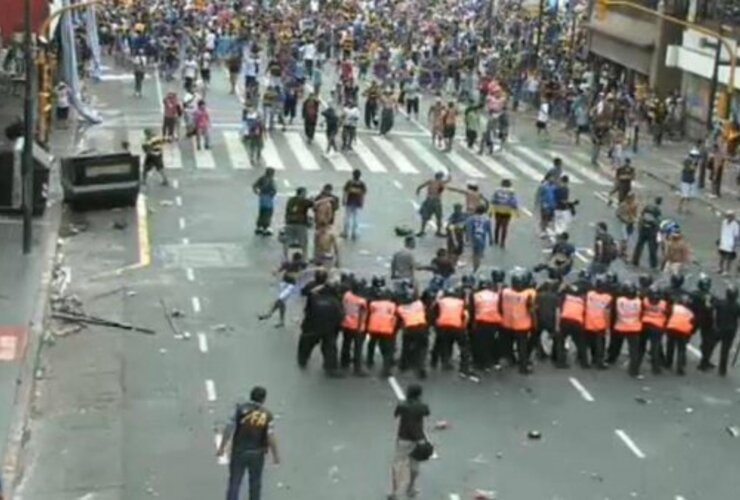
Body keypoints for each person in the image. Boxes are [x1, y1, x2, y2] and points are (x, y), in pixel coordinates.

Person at [217, 386, 280, 500]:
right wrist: (275, 456)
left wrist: (222, 447)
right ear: (263, 399)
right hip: (257, 453)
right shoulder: (267, 415)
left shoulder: (240, 410)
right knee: (255, 483)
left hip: (239, 451)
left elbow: (229, 428)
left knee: (235, 482)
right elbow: (270, 436)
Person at [389, 384, 429, 500]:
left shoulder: (402, 406)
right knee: (414, 466)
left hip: (403, 439)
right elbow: (427, 413)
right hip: (417, 440)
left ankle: (394, 491)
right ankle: (411, 487)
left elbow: (396, 414)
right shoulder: (422, 406)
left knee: (398, 465)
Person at [298, 275, 344, 376]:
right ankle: (330, 368)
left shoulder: (314, 298)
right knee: (330, 348)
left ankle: (302, 361)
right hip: (328, 329)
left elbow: (307, 310)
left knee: (306, 344)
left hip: (312, 327)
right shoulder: (335, 301)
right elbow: (340, 317)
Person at [258, 251, 308, 328]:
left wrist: (276, 272)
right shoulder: (294, 264)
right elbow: (279, 269)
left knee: (280, 299)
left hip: (289, 286)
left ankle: (269, 314)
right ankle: (280, 320)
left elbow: (279, 269)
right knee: (282, 302)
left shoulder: (296, 264)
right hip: (286, 284)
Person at [500, 270, 536, 374]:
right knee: (522, 347)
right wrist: (534, 323)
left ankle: (511, 360)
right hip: (522, 325)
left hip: (507, 323)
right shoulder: (528, 294)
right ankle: (523, 367)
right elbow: (531, 310)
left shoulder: (505, 292)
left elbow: (500, 306)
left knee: (508, 344)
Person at [608, 282, 643, 377]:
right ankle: (634, 371)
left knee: (616, 344)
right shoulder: (638, 301)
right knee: (634, 351)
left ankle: (611, 359)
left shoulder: (619, 300)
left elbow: (614, 312)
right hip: (634, 327)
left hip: (621, 325)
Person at [396, 282, 430, 379]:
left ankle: (403, 365)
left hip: (409, 329)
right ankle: (421, 367)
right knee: (422, 348)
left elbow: (399, 321)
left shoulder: (400, 308)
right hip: (421, 328)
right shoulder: (419, 304)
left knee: (406, 346)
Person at [340, 277, 369, 376]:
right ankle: (357, 369)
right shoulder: (361, 301)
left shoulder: (347, 295)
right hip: (357, 326)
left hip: (346, 323)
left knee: (346, 344)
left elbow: (343, 308)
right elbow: (361, 314)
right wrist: (360, 327)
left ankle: (344, 363)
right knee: (358, 348)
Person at [640, 286, 668, 375]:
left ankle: (635, 366)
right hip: (657, 327)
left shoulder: (645, 301)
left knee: (640, 347)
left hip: (645, 325)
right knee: (655, 348)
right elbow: (667, 314)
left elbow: (641, 311)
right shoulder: (663, 303)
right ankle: (656, 368)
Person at [664, 296, 696, 376]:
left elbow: (667, 314)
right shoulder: (690, 313)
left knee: (670, 346)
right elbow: (693, 323)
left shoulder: (674, 307)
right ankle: (680, 368)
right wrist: (690, 332)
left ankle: (668, 363)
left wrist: (666, 325)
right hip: (683, 331)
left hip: (672, 328)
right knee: (681, 349)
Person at [714, 284, 740, 376]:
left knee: (710, 343)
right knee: (725, 350)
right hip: (730, 331)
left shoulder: (721, 303)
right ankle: (722, 370)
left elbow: (713, 305)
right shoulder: (737, 306)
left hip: (719, 328)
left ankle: (704, 361)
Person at [558, 283, 586, 369]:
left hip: (565, 320)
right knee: (580, 343)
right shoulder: (582, 301)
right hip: (577, 322)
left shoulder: (565, 297)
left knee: (560, 342)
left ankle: (561, 362)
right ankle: (584, 362)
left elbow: (559, 295)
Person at [631, 197, 662, 270]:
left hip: (643, 229)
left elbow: (641, 217)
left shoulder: (647, 207)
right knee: (652, 248)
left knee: (639, 246)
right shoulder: (657, 210)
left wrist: (640, 227)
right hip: (651, 231)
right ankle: (653, 264)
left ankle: (635, 260)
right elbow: (657, 223)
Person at [416, 172, 450, 237]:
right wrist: (449, 174)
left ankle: (422, 230)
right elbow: (448, 181)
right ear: (440, 177)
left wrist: (418, 191)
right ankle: (438, 231)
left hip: (428, 200)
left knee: (425, 217)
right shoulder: (441, 183)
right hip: (436, 201)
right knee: (438, 217)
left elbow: (420, 186)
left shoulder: (431, 181)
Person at [283, 187, 313, 259]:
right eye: (305, 193)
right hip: (300, 224)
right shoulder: (304, 201)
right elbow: (313, 204)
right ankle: (304, 258)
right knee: (303, 242)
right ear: (302, 193)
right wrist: (311, 199)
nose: (305, 194)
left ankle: (285, 257)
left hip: (289, 223)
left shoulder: (290, 200)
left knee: (287, 241)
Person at [490, 179, 519, 248]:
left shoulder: (497, 190)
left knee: (497, 225)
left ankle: (496, 239)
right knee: (505, 227)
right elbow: (513, 201)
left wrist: (491, 210)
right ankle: (502, 242)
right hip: (507, 211)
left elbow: (493, 200)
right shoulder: (512, 191)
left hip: (498, 209)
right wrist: (516, 210)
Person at [465, 205, 493, 272]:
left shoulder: (471, 218)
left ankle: (475, 268)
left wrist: (468, 238)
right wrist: (491, 239)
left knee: (475, 255)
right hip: (482, 238)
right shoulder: (486, 219)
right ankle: (476, 268)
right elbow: (489, 230)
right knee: (478, 255)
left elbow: (468, 229)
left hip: (474, 237)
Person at [342, 169, 367, 240]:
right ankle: (354, 234)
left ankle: (345, 233)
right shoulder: (361, 184)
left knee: (347, 218)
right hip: (357, 203)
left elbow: (345, 192)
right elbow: (363, 194)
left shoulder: (349, 183)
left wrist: (344, 200)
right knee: (355, 219)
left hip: (349, 202)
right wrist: (362, 202)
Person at [253, 168, 277, 236]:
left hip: (262, 197)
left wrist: (257, 192)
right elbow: (274, 190)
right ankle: (266, 227)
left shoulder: (262, 178)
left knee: (262, 212)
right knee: (268, 212)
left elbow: (254, 186)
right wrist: (272, 195)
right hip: (268, 198)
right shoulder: (271, 180)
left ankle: (259, 226)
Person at [616, 192, 638, 258]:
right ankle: (621, 251)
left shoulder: (634, 205)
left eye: (633, 198)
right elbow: (618, 214)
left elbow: (635, 214)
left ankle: (622, 250)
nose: (632, 199)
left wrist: (634, 219)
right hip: (624, 223)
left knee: (628, 237)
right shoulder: (623, 205)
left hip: (631, 223)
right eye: (631, 198)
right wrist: (624, 219)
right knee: (624, 238)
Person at [717, 211, 739, 275]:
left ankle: (727, 271)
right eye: (728, 216)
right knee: (722, 256)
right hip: (723, 242)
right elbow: (722, 231)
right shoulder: (724, 222)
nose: (728, 217)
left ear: (733, 217)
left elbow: (736, 236)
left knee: (729, 258)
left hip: (730, 243)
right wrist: (720, 239)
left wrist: (735, 245)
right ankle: (720, 268)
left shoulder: (735, 225)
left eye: (730, 216)